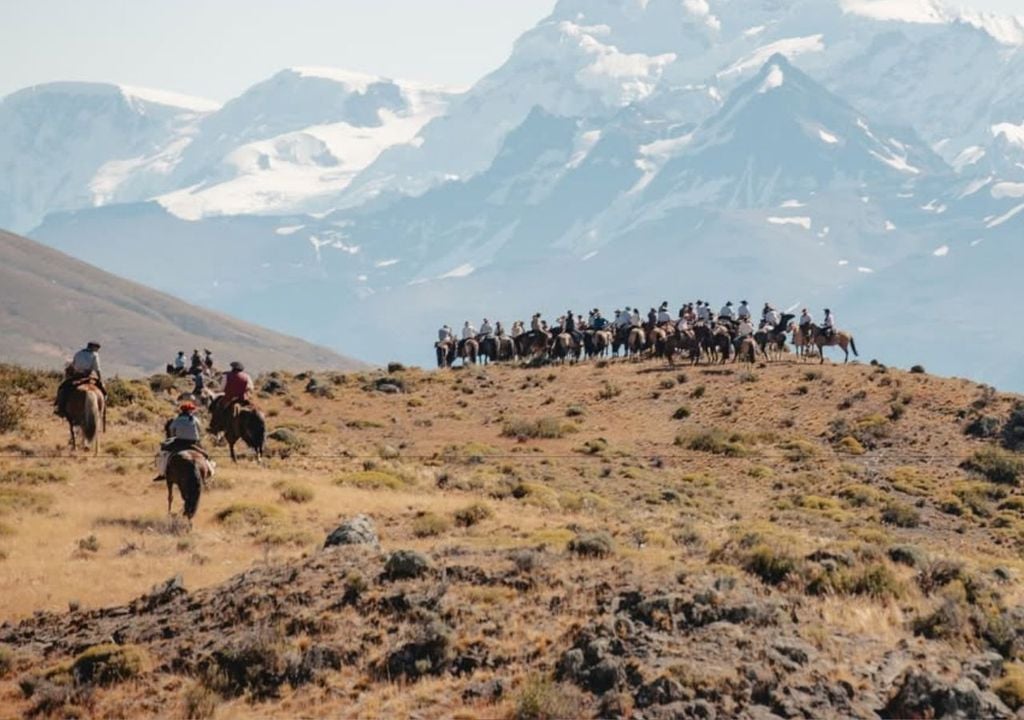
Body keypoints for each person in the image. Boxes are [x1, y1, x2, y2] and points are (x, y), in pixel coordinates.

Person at [153, 402, 210, 482]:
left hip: (179, 442)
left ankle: (162, 473)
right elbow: (199, 430)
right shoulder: (195, 419)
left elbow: (172, 430)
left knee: (164, 453)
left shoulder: (177, 420)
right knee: (205, 455)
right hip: (193, 443)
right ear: (190, 411)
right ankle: (209, 471)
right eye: (192, 410)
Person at [55, 341, 105, 418]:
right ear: (93, 347)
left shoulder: (78, 353)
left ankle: (60, 408)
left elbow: (74, 365)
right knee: (103, 391)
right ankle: (102, 409)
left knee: (62, 388)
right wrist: (100, 379)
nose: (97, 350)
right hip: (88, 375)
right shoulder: (95, 355)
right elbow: (97, 369)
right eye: (97, 348)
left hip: (77, 376)